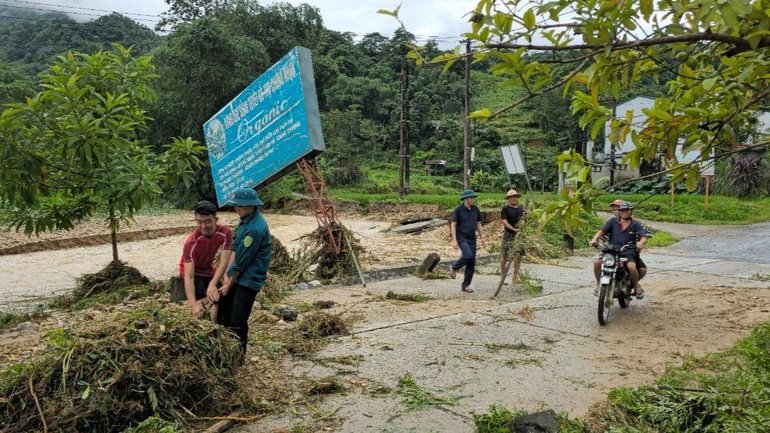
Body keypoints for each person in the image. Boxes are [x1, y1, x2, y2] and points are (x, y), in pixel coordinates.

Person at [210, 187, 271, 355]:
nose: (237, 209)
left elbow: (242, 262)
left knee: (238, 319)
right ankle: (223, 351)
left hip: (248, 279)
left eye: (241, 206)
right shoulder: (245, 220)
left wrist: (229, 285)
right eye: (236, 206)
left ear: (252, 205)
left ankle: (238, 356)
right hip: (237, 275)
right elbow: (235, 250)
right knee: (223, 311)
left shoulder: (255, 229)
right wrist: (226, 278)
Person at [179, 200, 232, 319]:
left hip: (208, 269)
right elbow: (189, 276)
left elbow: (225, 261)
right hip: (193, 272)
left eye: (207, 222)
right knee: (201, 305)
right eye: (199, 222)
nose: (203, 226)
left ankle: (218, 326)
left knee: (223, 297)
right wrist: (193, 306)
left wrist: (213, 283)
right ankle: (198, 317)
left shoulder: (225, 233)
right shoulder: (191, 243)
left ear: (216, 220)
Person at [589, 201, 649, 299]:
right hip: (611, 251)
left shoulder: (635, 223)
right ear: (619, 211)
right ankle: (598, 285)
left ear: (631, 211)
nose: (624, 212)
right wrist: (594, 239)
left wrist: (640, 243)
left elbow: (643, 235)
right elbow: (602, 231)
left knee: (632, 267)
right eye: (622, 210)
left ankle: (636, 287)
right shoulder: (613, 221)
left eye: (627, 210)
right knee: (597, 262)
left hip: (627, 252)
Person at [449, 189, 485, 293]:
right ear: (465, 199)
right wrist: (454, 240)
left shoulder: (475, 210)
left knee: (471, 262)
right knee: (468, 255)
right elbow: (453, 225)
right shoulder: (458, 210)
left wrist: (482, 237)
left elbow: (478, 223)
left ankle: (465, 285)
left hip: (472, 237)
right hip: (462, 237)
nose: (472, 199)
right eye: (470, 198)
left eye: (473, 197)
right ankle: (454, 267)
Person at [500, 189, 524, 285]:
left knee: (518, 256)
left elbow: (524, 220)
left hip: (519, 235)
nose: (513, 199)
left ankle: (515, 277)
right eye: (511, 197)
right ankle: (503, 277)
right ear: (508, 199)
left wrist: (521, 228)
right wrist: (514, 229)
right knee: (504, 255)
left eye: (515, 197)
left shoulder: (521, 209)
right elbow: (505, 222)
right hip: (508, 234)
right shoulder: (505, 209)